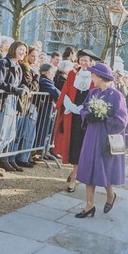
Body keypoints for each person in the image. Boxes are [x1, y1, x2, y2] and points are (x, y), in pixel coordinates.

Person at [75, 62, 128, 218]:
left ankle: (110, 195)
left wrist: (104, 119)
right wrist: (88, 115)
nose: (92, 78)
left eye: (93, 75)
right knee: (88, 169)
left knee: (103, 169)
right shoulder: (93, 93)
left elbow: (122, 120)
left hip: (105, 136)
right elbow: (84, 108)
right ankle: (89, 205)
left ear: (100, 77)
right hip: (91, 135)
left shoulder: (117, 95)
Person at [53, 48, 101, 192]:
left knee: (82, 146)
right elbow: (66, 92)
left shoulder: (95, 77)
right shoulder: (73, 75)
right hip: (72, 115)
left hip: (86, 116)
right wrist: (70, 106)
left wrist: (83, 109)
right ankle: (75, 172)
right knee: (74, 144)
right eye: (81, 60)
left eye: (86, 60)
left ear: (91, 62)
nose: (84, 63)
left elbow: (96, 96)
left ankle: (74, 176)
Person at [0, 41, 29, 171]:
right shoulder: (3, 63)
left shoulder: (18, 66)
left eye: (25, 51)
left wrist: (22, 87)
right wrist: (14, 89)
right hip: (4, 102)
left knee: (10, 134)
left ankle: (0, 159)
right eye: (21, 49)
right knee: (0, 133)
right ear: (13, 49)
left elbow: (19, 83)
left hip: (13, 102)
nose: (23, 53)